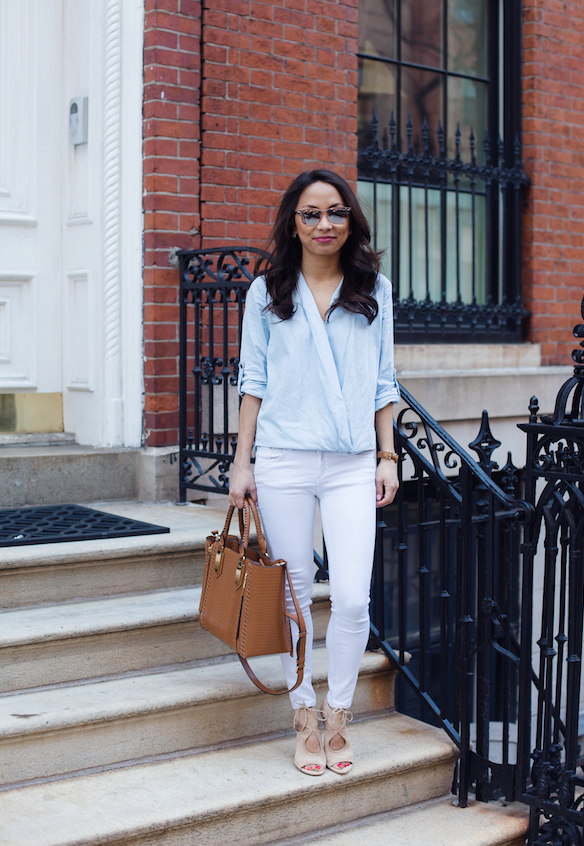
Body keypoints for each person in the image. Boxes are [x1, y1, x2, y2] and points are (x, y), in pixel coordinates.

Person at [229, 169, 400, 777]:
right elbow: (253, 382)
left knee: (353, 598)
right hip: (282, 460)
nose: (324, 224)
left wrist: (388, 456)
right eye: (311, 214)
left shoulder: (373, 289)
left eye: (335, 213)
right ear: (292, 223)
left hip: (354, 462)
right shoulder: (266, 293)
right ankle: (305, 714)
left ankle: (340, 713)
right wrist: (242, 463)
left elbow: (384, 384)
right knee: (296, 596)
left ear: (350, 220)